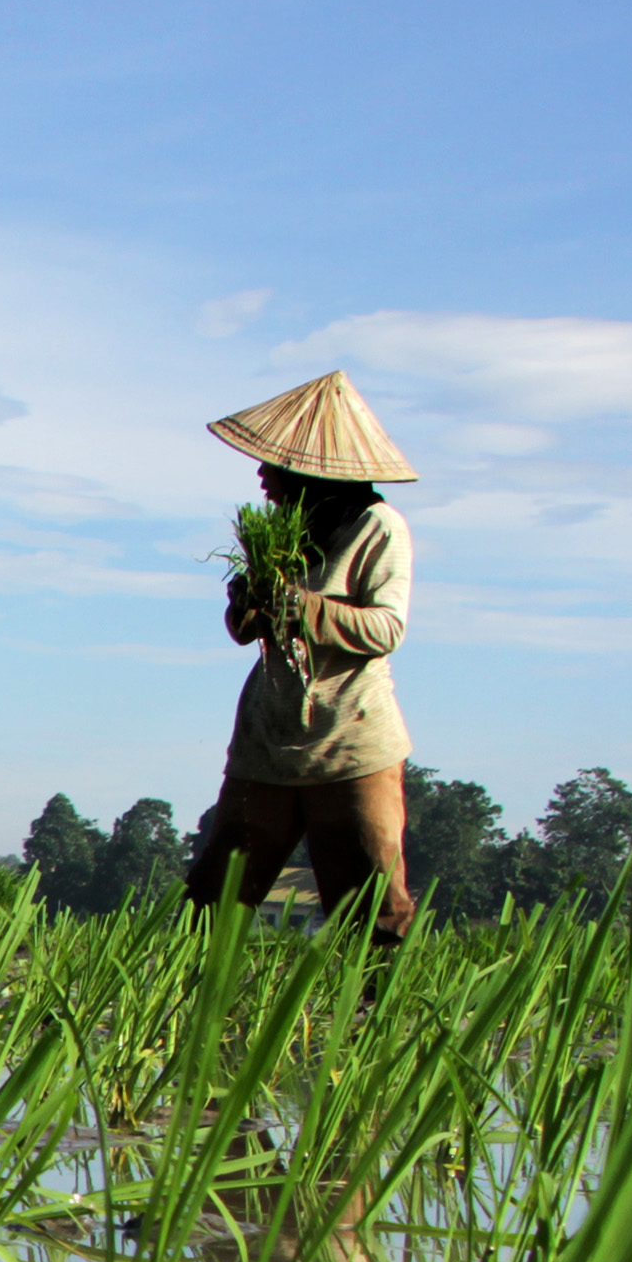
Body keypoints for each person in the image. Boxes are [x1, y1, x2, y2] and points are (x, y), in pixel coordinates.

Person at [183, 370, 420, 945]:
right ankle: (191, 1010)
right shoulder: (281, 535)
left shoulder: (378, 527)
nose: (263, 478)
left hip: (350, 741)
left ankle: (371, 1019)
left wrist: (301, 606)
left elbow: (386, 628)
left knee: (373, 912)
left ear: (313, 471)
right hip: (267, 740)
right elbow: (245, 633)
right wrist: (248, 603)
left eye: (274, 467)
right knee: (213, 902)